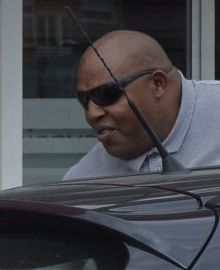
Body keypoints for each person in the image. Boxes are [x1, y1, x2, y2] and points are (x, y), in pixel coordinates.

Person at [62, 30, 220, 179]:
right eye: (84, 99)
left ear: (157, 84)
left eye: (106, 94)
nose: (92, 114)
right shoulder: (83, 183)